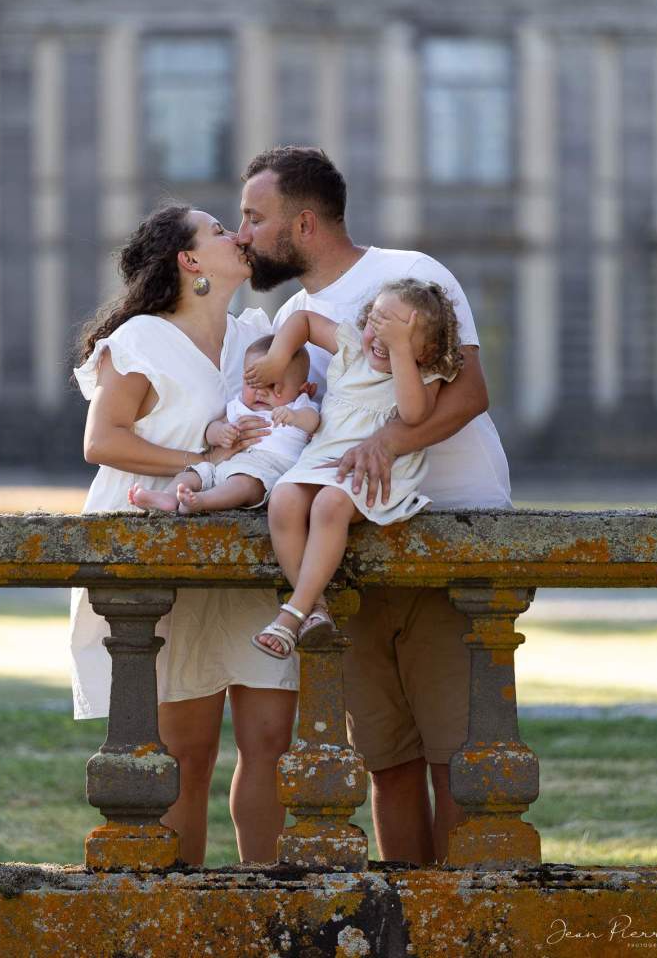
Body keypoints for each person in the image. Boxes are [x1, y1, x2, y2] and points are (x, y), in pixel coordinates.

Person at [235, 145, 512, 865]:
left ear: (301, 225)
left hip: (448, 527)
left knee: (458, 756)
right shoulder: (292, 315)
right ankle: (410, 924)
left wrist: (387, 442)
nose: (242, 235)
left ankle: (462, 926)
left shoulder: (408, 277)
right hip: (350, 548)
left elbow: (471, 390)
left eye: (253, 218)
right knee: (386, 760)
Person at [70, 203, 298, 867]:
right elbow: (102, 441)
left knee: (271, 742)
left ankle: (271, 905)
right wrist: (200, 464)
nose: (239, 236)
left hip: (249, 550)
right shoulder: (142, 338)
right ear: (190, 261)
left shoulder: (256, 332)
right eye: (221, 231)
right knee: (187, 751)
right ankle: (180, 905)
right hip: (158, 549)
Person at [246, 279, 462, 659]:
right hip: (320, 460)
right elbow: (303, 320)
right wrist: (278, 357)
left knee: (329, 505)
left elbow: (414, 414)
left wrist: (399, 352)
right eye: (376, 323)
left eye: (397, 332)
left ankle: (292, 614)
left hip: (368, 474)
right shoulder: (350, 351)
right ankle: (314, 609)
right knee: (283, 499)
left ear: (426, 350)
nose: (381, 336)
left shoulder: (421, 376)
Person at [127, 335, 319, 515]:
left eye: (272, 386)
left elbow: (313, 422)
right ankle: (168, 497)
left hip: (264, 471)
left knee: (244, 485)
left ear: (301, 388)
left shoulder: (299, 405)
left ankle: (201, 502)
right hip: (224, 463)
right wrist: (220, 433)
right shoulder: (239, 406)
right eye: (252, 383)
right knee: (195, 472)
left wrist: (294, 416)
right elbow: (213, 428)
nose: (260, 392)